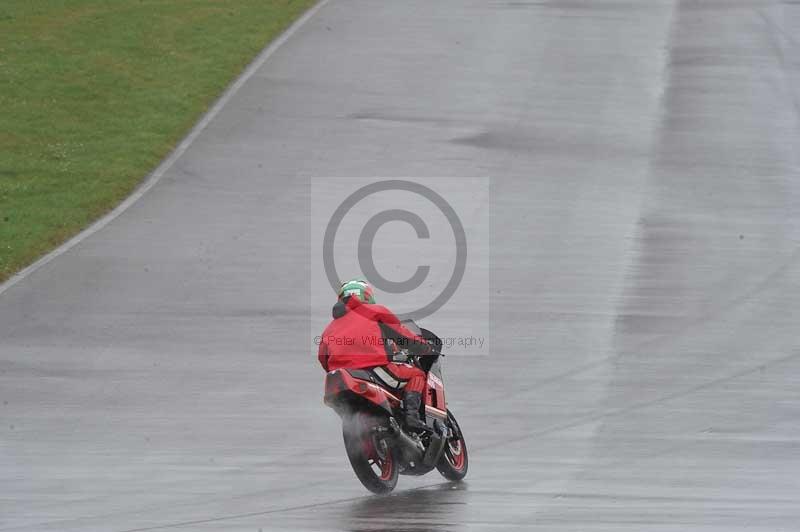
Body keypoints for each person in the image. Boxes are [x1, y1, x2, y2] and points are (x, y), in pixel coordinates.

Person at [318, 278, 432, 431]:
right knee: (417, 374)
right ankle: (411, 417)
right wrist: (424, 348)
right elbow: (403, 336)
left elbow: (323, 359)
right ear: (367, 296)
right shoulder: (376, 311)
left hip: (342, 379)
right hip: (374, 368)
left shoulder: (329, 328)